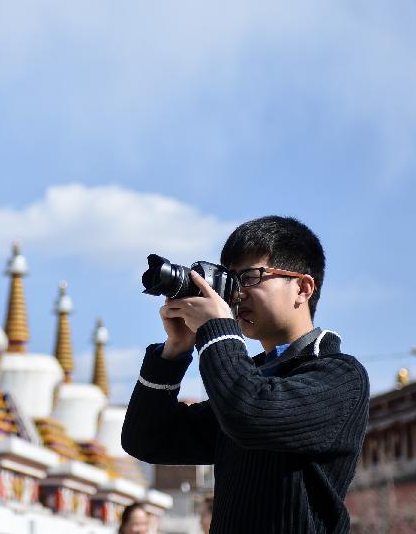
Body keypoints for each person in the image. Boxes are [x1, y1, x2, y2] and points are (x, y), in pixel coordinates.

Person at [122, 216, 369, 534]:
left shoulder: (341, 376)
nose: (237, 295)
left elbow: (249, 411)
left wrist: (217, 329)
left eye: (251, 277)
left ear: (303, 288)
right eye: (232, 281)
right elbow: (147, 440)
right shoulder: (249, 381)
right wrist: (175, 351)